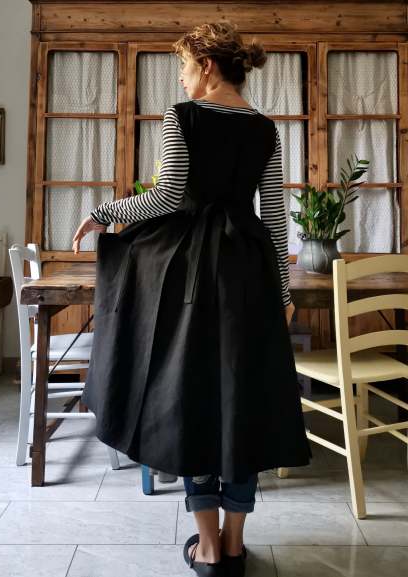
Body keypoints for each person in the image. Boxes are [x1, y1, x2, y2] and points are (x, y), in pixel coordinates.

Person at [73, 21, 311, 577]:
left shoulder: (182, 116)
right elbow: (275, 219)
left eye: (183, 67)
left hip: (191, 279)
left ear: (206, 65)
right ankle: (234, 544)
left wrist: (105, 213)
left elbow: (168, 196)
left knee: (192, 400)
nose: (180, 79)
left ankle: (207, 547)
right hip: (248, 273)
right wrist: (282, 293)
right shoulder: (266, 129)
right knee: (242, 402)